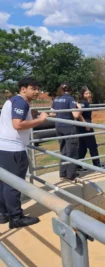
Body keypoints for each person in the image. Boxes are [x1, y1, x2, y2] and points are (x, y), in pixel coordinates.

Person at [0, 77, 48, 228]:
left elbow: (16, 120)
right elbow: (17, 124)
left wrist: (30, 117)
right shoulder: (20, 102)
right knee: (13, 184)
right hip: (14, 150)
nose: (37, 91)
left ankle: (3, 214)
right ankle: (16, 217)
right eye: (33, 88)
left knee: (3, 183)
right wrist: (40, 120)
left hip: (4, 148)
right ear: (23, 89)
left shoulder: (14, 101)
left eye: (37, 88)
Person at [52, 83, 81, 181]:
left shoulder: (56, 98)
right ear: (70, 90)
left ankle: (63, 174)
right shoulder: (70, 99)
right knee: (72, 151)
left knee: (63, 150)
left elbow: (52, 113)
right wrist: (79, 107)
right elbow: (76, 115)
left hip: (58, 126)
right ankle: (71, 175)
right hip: (69, 127)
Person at [77, 87, 102, 171]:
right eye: (86, 93)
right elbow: (79, 114)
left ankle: (78, 165)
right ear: (82, 94)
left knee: (82, 147)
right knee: (92, 145)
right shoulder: (83, 103)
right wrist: (85, 124)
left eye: (89, 93)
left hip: (81, 126)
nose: (88, 95)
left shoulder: (85, 102)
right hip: (85, 126)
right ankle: (96, 164)